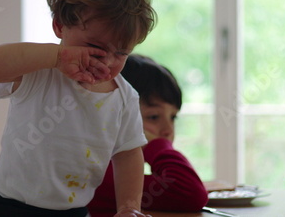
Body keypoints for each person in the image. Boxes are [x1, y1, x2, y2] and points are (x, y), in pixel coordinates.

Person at [0, 0, 157, 217]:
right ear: (60, 26)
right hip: (10, 208)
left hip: (74, 211)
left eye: (120, 53)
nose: (106, 61)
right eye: (95, 49)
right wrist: (57, 57)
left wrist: (129, 207)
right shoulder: (38, 72)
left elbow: (128, 154)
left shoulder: (124, 96)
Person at [87, 54, 209, 216]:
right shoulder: (96, 172)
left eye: (173, 117)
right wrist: (157, 146)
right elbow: (189, 192)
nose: (168, 129)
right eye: (154, 117)